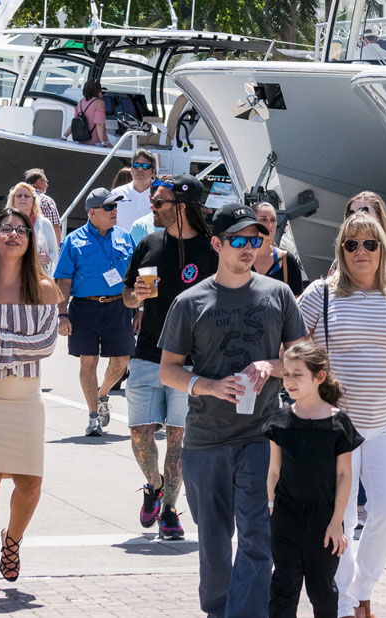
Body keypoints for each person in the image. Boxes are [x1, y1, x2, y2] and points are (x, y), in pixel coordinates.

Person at [159, 201, 307, 618]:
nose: (248, 248)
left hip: (260, 436)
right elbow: (168, 371)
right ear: (217, 244)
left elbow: (304, 361)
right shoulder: (191, 302)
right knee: (214, 540)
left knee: (258, 535)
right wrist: (207, 385)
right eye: (238, 240)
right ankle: (218, 608)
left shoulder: (278, 294)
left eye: (255, 240)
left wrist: (272, 365)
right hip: (205, 439)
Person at [300, 213, 386, 618]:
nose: (361, 252)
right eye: (351, 244)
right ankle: (349, 601)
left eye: (370, 244)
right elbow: (296, 349)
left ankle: (361, 587)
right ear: (341, 250)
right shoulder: (321, 294)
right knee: (343, 515)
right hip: (338, 424)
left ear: (383, 249)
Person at [0, 208, 61, 597]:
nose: (13, 235)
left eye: (21, 230)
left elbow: (47, 344)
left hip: (26, 396)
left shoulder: (44, 286)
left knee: (30, 485)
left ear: (31, 239)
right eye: (4, 229)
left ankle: (12, 540)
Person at [121, 173, 217, 541]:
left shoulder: (212, 250)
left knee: (179, 438)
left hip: (194, 359)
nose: (152, 206)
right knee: (140, 435)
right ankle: (153, 485)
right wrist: (137, 297)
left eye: (159, 202)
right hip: (148, 352)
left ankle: (170, 509)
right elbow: (127, 296)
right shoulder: (148, 243)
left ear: (183, 206)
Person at [265, 339, 360, 618]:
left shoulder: (338, 423)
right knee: (283, 588)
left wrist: (336, 523)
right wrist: (272, 508)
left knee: (322, 590)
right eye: (286, 374)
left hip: (324, 521)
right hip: (286, 517)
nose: (290, 381)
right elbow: (274, 471)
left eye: (298, 374)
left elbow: (344, 476)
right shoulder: (280, 420)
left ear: (319, 377)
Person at [53, 187, 136, 437]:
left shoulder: (125, 237)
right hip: (85, 307)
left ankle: (103, 394)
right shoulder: (73, 241)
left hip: (119, 305)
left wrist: (139, 308)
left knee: (122, 359)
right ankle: (93, 416)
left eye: (115, 207)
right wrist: (62, 314)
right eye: (109, 207)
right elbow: (63, 280)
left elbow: (134, 277)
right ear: (93, 212)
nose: (114, 212)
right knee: (89, 360)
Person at [253, 202, 306, 295]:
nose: (270, 224)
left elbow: (296, 301)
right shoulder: (240, 258)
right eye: (263, 219)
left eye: (273, 220)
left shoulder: (287, 260)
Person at [4, 182, 59, 270]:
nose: (23, 198)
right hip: (11, 272)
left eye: (26, 196)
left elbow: (54, 252)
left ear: (33, 201)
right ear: (13, 200)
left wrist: (46, 259)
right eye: (19, 196)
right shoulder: (4, 222)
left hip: (37, 275)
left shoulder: (44, 223)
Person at [116, 150, 159, 236]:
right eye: (136, 165)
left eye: (145, 166)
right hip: (123, 247)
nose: (140, 169)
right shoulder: (116, 193)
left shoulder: (161, 195)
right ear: (131, 170)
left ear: (153, 172)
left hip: (151, 247)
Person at [22, 169, 62, 246]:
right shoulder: (46, 200)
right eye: (46, 182)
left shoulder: (18, 199)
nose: (47, 185)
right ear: (39, 182)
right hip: (40, 246)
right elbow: (55, 227)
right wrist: (58, 248)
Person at [73, 80, 109, 146]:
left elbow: (75, 123)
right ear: (98, 90)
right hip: (95, 142)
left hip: (82, 142)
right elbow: (99, 124)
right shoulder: (99, 103)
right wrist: (103, 142)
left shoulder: (80, 103)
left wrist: (64, 136)